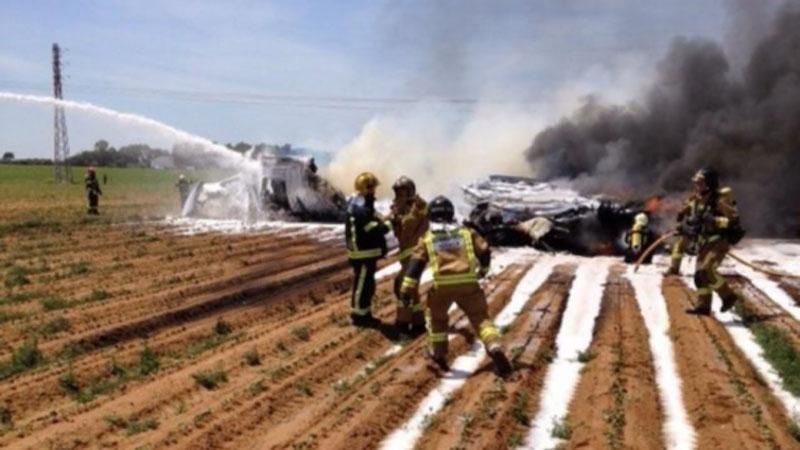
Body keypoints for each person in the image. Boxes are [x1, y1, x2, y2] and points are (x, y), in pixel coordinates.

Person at [400, 195, 512, 376]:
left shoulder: (428, 238)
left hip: (442, 287)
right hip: (468, 285)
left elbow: (415, 266)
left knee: (437, 319)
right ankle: (494, 345)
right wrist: (483, 270)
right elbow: (484, 251)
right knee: (481, 319)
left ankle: (439, 355)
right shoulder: (466, 232)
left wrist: (406, 290)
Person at [675, 167, 745, 315]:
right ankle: (703, 305)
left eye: (700, 182)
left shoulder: (720, 200)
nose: (697, 185)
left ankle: (728, 296)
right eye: (696, 182)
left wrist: (713, 220)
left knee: (707, 270)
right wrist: (684, 226)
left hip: (718, 242)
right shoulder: (696, 199)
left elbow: (733, 221)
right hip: (703, 243)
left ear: (709, 183)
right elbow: (685, 214)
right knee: (699, 276)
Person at [345, 172, 390, 326]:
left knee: (367, 285)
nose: (374, 192)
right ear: (365, 189)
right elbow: (372, 229)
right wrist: (388, 225)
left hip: (366, 252)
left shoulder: (360, 203)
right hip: (362, 253)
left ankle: (365, 313)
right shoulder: (360, 207)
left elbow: (374, 217)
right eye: (371, 189)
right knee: (363, 285)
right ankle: (358, 316)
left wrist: (386, 217)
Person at [388, 176, 429, 337]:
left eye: (401, 193)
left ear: (410, 192)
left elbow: (409, 227)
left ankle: (403, 324)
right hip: (408, 257)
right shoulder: (404, 209)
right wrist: (394, 219)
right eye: (396, 193)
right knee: (410, 289)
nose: (397, 197)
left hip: (416, 256)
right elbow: (400, 235)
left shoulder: (419, 206)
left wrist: (399, 216)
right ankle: (418, 323)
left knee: (403, 287)